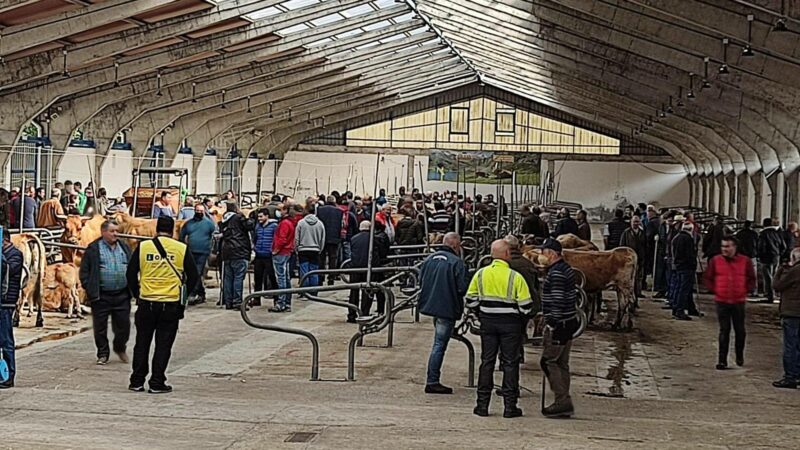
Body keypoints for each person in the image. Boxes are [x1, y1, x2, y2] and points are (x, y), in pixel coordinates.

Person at [127, 216, 199, 394]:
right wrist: (183, 295)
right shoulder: (181, 249)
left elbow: (130, 274)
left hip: (147, 302)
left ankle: (137, 380)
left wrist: (138, 294)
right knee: (163, 344)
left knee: (142, 343)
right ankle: (157, 381)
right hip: (170, 304)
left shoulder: (143, 248)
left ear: (156, 229)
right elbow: (194, 276)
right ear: (173, 229)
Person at [468, 239, 534, 419]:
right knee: (510, 363)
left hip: (488, 323)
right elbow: (526, 305)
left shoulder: (481, 274)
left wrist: (481, 312)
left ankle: (482, 405)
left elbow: (470, 299)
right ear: (507, 255)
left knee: (487, 361)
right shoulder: (515, 277)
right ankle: (510, 407)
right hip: (510, 325)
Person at [419, 232, 467, 395]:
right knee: (439, 344)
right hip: (447, 307)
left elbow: (421, 281)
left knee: (439, 342)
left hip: (431, 304)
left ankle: (432, 379)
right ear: (455, 245)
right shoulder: (457, 262)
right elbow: (463, 287)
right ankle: (432, 380)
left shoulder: (429, 259)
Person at [80, 220, 133, 365]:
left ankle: (119, 347)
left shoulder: (124, 247)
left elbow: (133, 266)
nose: (116, 234)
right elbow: (84, 272)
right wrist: (89, 288)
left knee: (123, 326)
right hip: (101, 295)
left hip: (122, 294)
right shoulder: (93, 249)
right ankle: (103, 353)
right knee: (100, 327)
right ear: (103, 232)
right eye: (112, 231)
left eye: (117, 231)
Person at [538, 239, 579, 418]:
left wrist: (551, 322)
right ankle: (564, 400)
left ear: (553, 254)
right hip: (569, 321)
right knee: (562, 362)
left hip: (559, 323)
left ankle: (562, 400)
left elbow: (557, 299)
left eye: (544, 252)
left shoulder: (556, 274)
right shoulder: (566, 269)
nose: (542, 256)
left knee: (548, 361)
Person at [703, 236, 755, 370]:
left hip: (738, 301)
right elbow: (708, 278)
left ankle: (739, 355)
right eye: (723, 246)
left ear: (734, 247)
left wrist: (745, 290)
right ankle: (722, 360)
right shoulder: (716, 260)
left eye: (727, 246)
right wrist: (716, 290)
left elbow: (751, 278)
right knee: (724, 330)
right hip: (722, 301)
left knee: (740, 330)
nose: (724, 249)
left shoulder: (745, 261)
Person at [772, 248, 800, 389]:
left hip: (792, 312)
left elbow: (777, 285)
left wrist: (780, 270)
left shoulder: (795, 270)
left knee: (790, 346)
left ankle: (790, 377)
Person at [179, 203, 216, 305]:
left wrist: (212, 249)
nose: (199, 212)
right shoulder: (188, 224)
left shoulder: (209, 223)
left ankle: (192, 293)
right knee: (192, 273)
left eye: (201, 211)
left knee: (197, 272)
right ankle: (201, 293)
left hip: (203, 252)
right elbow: (182, 236)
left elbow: (214, 235)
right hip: (190, 252)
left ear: (204, 211)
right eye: (197, 210)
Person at [0, 230, 23, 389]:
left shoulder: (15, 255)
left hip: (6, 303)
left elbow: (5, 270)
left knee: (6, 341)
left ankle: (9, 376)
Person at [219, 202, 253, 310]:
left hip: (226, 251)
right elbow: (250, 226)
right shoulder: (239, 218)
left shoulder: (223, 221)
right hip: (239, 250)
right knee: (238, 277)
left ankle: (228, 302)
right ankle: (237, 302)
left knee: (228, 278)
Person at [271, 203, 296, 312]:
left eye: (280, 210)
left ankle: (281, 302)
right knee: (285, 278)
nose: (278, 212)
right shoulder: (289, 222)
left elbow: (282, 238)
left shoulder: (284, 223)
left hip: (281, 253)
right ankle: (286, 302)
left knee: (281, 278)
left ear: (285, 211)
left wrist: (275, 250)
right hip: (286, 252)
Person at [670, 221, 698, 320]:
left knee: (679, 288)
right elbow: (690, 254)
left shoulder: (676, 238)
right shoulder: (688, 239)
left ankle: (676, 308)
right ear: (691, 229)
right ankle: (680, 311)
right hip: (687, 267)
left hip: (678, 266)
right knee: (684, 290)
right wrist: (694, 265)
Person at [294, 204, 326, 288]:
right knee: (314, 271)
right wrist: (320, 249)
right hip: (315, 249)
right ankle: (313, 291)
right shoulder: (320, 224)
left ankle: (304, 290)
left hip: (303, 249)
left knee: (304, 271)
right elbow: (322, 239)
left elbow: (297, 238)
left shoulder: (301, 223)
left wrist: (296, 249)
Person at [316, 196, 344, 286]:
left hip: (322, 237)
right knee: (333, 258)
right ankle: (331, 278)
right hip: (334, 237)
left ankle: (320, 277)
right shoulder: (339, 211)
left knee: (321, 258)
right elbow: (342, 225)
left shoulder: (319, 209)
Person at [252, 208, 278, 302]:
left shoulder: (274, 226)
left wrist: (273, 250)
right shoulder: (258, 226)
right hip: (259, 255)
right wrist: (255, 247)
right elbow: (255, 238)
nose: (259, 219)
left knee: (272, 277)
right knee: (257, 278)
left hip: (269, 255)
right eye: (258, 217)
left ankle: (276, 298)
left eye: (261, 216)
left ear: (267, 216)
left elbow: (276, 239)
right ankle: (256, 299)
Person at [757, 217, 786, 303]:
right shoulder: (777, 233)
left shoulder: (763, 234)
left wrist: (760, 255)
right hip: (776, 257)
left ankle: (770, 296)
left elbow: (761, 246)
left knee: (768, 277)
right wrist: (779, 254)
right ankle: (775, 294)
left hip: (766, 258)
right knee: (775, 276)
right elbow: (783, 246)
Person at [620, 215, 647, 298]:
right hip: (628, 259)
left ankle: (638, 293)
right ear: (631, 222)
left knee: (639, 277)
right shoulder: (626, 232)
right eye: (634, 222)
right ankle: (629, 294)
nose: (635, 223)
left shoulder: (642, 233)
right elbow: (622, 245)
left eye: (637, 222)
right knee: (629, 278)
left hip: (640, 259)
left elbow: (645, 246)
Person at [735, 220, 759, 296]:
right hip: (752, 256)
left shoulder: (739, 234)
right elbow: (758, 244)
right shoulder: (754, 234)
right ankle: (753, 290)